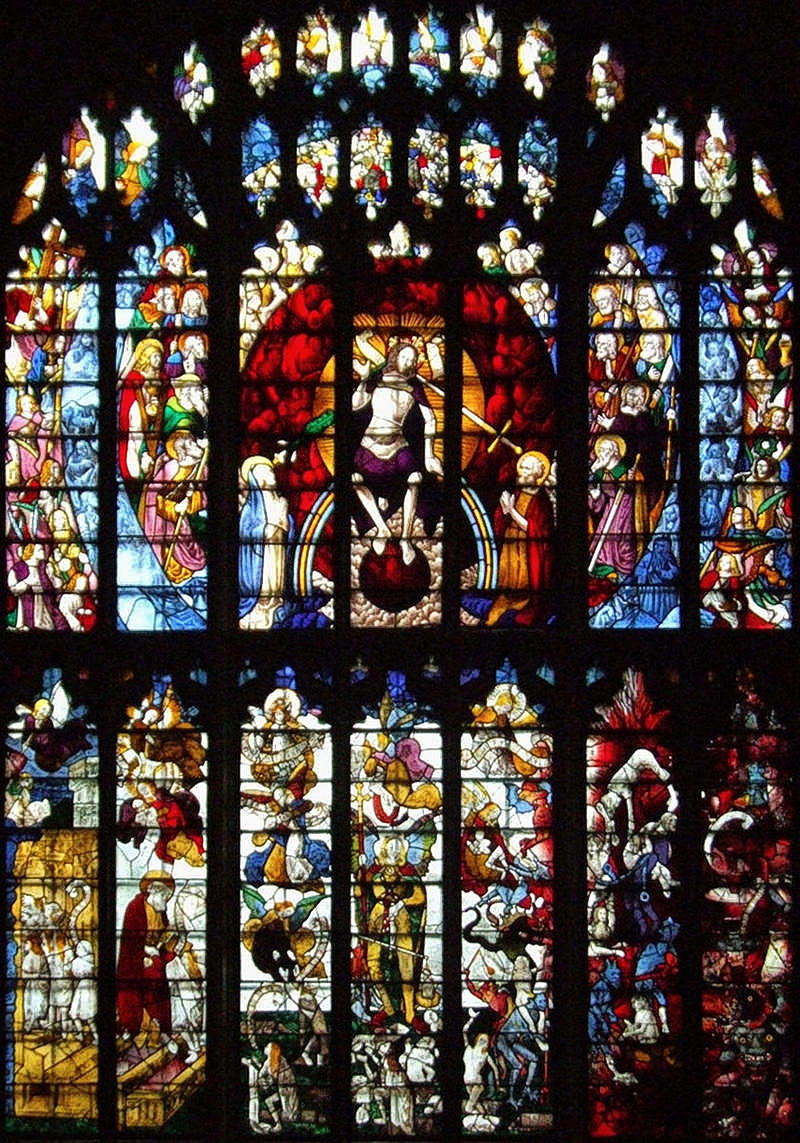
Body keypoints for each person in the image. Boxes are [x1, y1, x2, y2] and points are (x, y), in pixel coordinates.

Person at [352, 336, 443, 564]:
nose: (409, 362)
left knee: (415, 479)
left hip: (398, 445)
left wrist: (429, 454)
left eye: (412, 359)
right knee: (354, 479)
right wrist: (363, 381)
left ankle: (405, 538)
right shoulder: (377, 379)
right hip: (370, 445)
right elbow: (355, 405)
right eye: (405, 356)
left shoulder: (414, 387)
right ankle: (382, 529)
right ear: (394, 357)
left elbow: (430, 419)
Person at [487, 450, 554, 626]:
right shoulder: (517, 492)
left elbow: (537, 531)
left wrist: (511, 511)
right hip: (511, 543)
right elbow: (504, 519)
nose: (521, 471)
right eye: (521, 467)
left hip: (528, 549)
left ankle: (524, 601)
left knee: (524, 585)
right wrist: (503, 510)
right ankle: (508, 597)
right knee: (509, 583)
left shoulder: (541, 500)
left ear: (537, 474)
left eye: (526, 469)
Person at [117, 872, 177, 1044]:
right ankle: (132, 1027)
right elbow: (131, 941)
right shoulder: (135, 908)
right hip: (134, 961)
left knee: (158, 987)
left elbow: (162, 935)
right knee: (133, 994)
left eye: (168, 897)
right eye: (164, 896)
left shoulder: (161, 912)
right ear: (152, 891)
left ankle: (161, 1029)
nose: (166, 901)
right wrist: (148, 952)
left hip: (153, 961)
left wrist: (164, 946)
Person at [239, 455, 290, 627]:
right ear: (258, 479)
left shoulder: (280, 500)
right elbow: (245, 531)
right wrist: (263, 530)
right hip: (259, 556)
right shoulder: (250, 507)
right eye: (268, 472)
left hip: (276, 549)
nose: (273, 474)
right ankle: (260, 605)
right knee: (265, 581)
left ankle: (275, 602)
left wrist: (280, 522)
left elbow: (286, 527)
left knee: (275, 579)